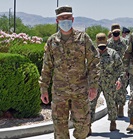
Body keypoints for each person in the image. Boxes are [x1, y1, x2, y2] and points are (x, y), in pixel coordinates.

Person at [39, 5, 99, 139]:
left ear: (72, 19)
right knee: (60, 129)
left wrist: (93, 86)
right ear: (57, 21)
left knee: (83, 127)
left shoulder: (83, 38)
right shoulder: (52, 41)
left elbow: (94, 62)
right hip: (59, 92)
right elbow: (47, 66)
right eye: (62, 18)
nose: (65, 20)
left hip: (80, 91)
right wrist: (43, 88)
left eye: (67, 17)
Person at [92, 33, 123, 131]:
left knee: (111, 103)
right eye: (99, 45)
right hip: (95, 84)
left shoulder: (112, 53)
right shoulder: (93, 54)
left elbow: (120, 68)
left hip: (109, 83)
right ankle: (88, 125)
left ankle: (113, 122)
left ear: (106, 42)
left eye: (103, 45)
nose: (102, 48)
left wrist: (119, 80)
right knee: (91, 103)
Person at [107, 23, 128, 118]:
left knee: (122, 90)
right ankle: (114, 107)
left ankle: (121, 107)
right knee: (112, 90)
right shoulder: (108, 43)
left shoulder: (125, 42)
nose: (116, 34)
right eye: (114, 32)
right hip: (111, 71)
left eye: (117, 32)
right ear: (111, 33)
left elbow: (129, 55)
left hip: (122, 70)